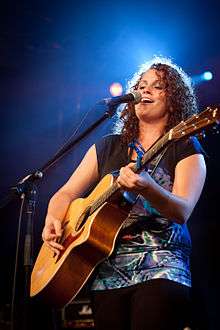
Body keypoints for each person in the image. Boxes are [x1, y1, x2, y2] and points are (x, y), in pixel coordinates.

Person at [42, 56, 206, 330]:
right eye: (142, 85)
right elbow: (66, 193)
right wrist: (53, 217)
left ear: (174, 99)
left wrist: (148, 187)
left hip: (162, 268)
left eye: (157, 86)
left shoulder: (185, 146)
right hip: (105, 271)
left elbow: (182, 210)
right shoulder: (108, 146)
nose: (145, 90)